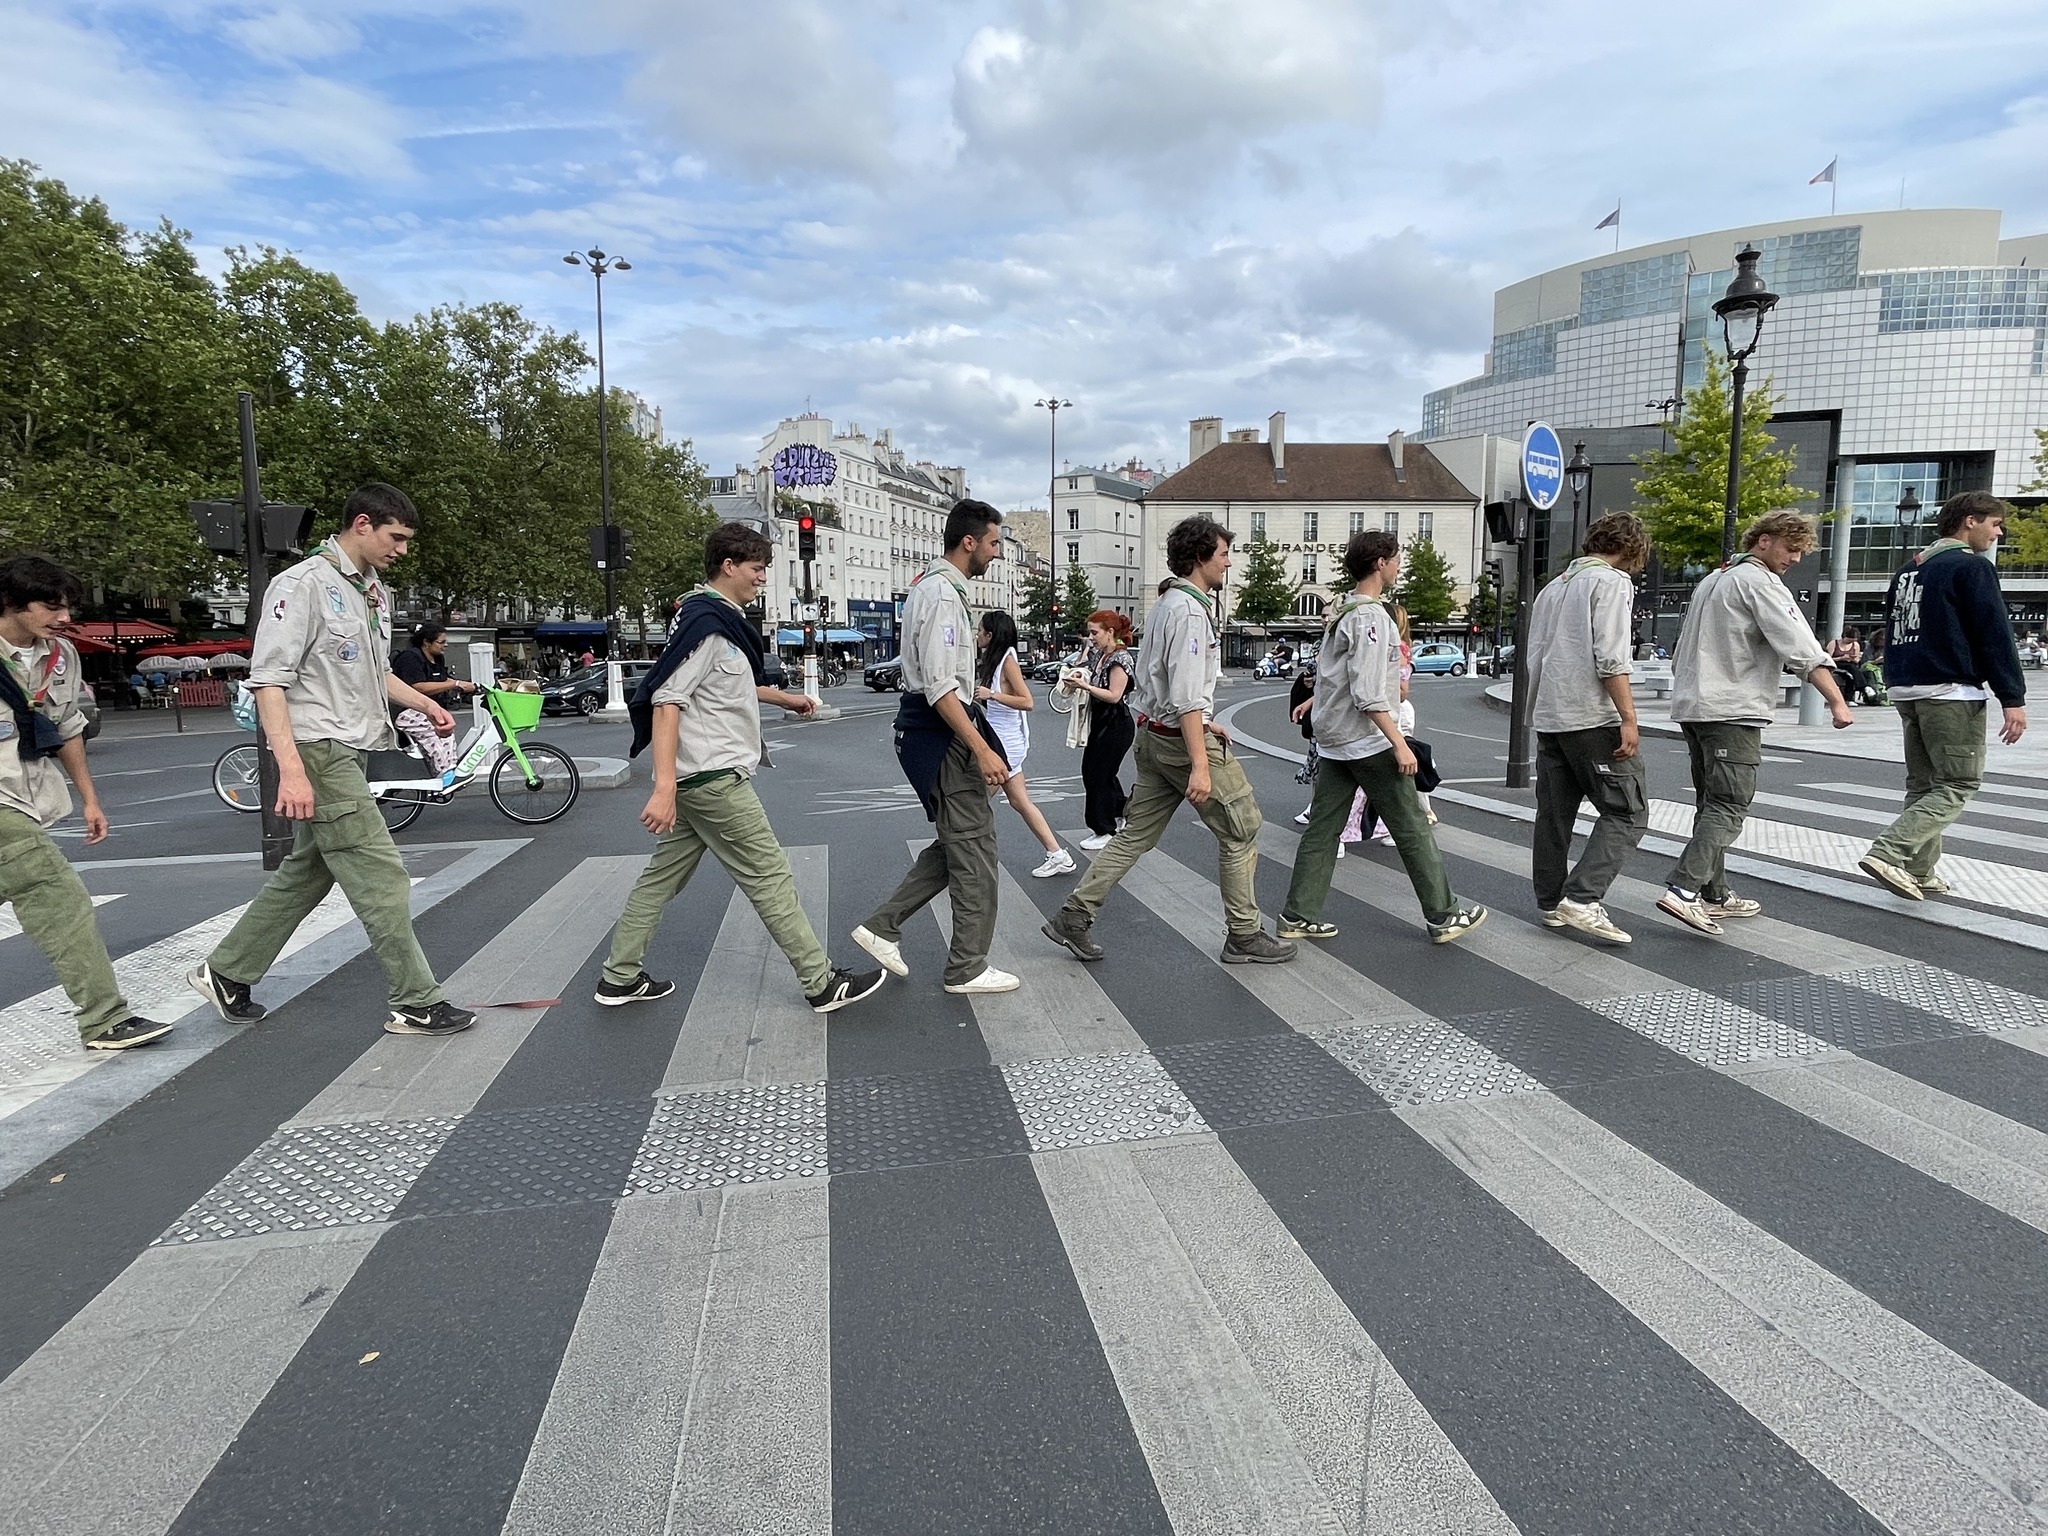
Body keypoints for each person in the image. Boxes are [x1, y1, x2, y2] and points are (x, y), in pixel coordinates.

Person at [187, 484, 477, 1037]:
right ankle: (416, 1000)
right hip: (319, 749)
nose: (403, 550)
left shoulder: (372, 593)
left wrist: (424, 703)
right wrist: (290, 770)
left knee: (307, 872)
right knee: (382, 876)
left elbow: (374, 673)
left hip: (353, 746)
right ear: (362, 524)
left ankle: (225, 971)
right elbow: (269, 682)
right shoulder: (300, 586)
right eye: (397, 538)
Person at [603, 524, 884, 1013]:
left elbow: (722, 688)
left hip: (699, 781)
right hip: (713, 779)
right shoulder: (707, 624)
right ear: (728, 566)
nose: (761, 579)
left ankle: (618, 977)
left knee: (660, 880)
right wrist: (663, 786)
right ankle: (820, 983)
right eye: (757, 569)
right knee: (770, 875)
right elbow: (668, 700)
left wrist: (785, 698)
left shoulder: (714, 621)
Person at [1041, 516, 1297, 965]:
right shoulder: (1191, 611)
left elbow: (1159, 686)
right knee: (1242, 828)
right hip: (1180, 741)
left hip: (1153, 736)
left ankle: (1074, 915)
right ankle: (1244, 933)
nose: (1228, 563)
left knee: (1134, 834)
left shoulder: (1163, 605)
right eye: (1222, 554)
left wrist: (1203, 721)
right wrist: (1200, 761)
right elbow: (1184, 696)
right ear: (1200, 557)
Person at [1276, 530, 1488, 946]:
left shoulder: (1341, 612)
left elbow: (1335, 677)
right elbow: (1369, 692)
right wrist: (1400, 743)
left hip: (1335, 741)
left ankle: (1298, 914)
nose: (1398, 566)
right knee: (1411, 827)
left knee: (1323, 829)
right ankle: (1445, 914)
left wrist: (1316, 703)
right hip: (1367, 740)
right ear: (1380, 564)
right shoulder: (1373, 618)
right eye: (1395, 559)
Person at [0, 558, 175, 1050]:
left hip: (28, 796)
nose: (62, 616)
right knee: (59, 897)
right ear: (12, 603)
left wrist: (89, 799)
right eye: (49, 606)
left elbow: (67, 728)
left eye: (67, 606)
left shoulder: (62, 656)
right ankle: (105, 1019)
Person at [1658, 509, 1852, 935]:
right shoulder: (1759, 582)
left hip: (1695, 707)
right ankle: (1684, 890)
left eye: (1801, 550)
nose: (1797, 558)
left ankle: (1715, 893)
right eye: (1791, 548)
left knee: (1710, 804)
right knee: (1729, 805)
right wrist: (1837, 701)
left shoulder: (1713, 579)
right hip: (1733, 709)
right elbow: (1800, 646)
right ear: (1763, 541)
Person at [852, 499, 1019, 995]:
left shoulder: (931, 587)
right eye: (994, 543)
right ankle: (967, 967)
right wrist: (982, 749)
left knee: (957, 844)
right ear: (969, 542)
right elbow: (944, 687)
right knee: (977, 856)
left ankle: (883, 926)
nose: (997, 554)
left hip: (933, 733)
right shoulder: (945, 596)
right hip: (944, 736)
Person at [1859, 491, 2025, 900]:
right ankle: (1890, 852)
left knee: (1922, 784)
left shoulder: (1908, 570)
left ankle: (1921, 871)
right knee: (1958, 782)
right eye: (1995, 523)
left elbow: (1892, 629)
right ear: (1970, 521)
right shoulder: (1970, 568)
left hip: (1907, 687)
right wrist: (2012, 697)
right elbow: (1994, 634)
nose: (1998, 533)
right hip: (1951, 690)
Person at [1523, 513, 1653, 944]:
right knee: (1628, 811)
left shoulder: (1553, 586)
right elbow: (1611, 657)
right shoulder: (1611, 583)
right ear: (1632, 548)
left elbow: (1536, 653)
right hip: (1590, 715)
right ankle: (1582, 899)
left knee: (1554, 813)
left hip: (1550, 715)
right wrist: (1629, 718)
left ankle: (1550, 902)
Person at [975, 609, 1074, 878]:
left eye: (980, 630)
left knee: (972, 803)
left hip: (1004, 745)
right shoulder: (996, 660)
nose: (977, 634)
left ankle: (969, 861)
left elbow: (1027, 701)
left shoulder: (1007, 661)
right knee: (1021, 802)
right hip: (1004, 742)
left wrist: (991, 695)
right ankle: (1058, 854)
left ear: (991, 635)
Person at [1064, 609, 1136, 850]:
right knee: (1099, 773)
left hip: (1115, 722)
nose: (1091, 637)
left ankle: (1104, 829)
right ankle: (1124, 811)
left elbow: (1114, 695)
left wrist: (1084, 686)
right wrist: (1080, 674)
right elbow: (1084, 667)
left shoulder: (1120, 658)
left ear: (1110, 632)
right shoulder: (1101, 655)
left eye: (1095, 632)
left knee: (1097, 774)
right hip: (1102, 721)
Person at [391, 622, 482, 774]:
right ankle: (444, 774)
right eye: (441, 642)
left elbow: (443, 680)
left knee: (446, 730)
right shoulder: (410, 658)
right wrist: (454, 684)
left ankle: (450, 769)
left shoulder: (438, 658)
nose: (445, 645)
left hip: (430, 710)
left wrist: (467, 685)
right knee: (432, 735)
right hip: (408, 711)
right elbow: (418, 687)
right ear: (426, 642)